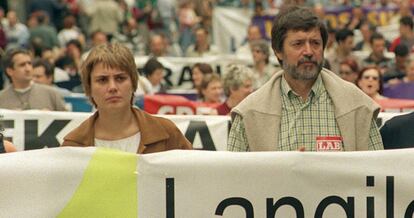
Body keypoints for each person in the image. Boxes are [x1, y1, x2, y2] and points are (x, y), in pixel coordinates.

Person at [227, 6, 383, 152]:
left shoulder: (357, 105)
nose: (308, 51)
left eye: (315, 43)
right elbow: (234, 176)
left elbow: (376, 172)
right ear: (278, 51)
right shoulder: (249, 113)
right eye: (298, 44)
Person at [61, 43, 192, 153]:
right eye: (102, 80)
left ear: (133, 83)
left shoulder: (167, 133)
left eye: (120, 78)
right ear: (89, 87)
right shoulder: (73, 146)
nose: (112, 87)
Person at [0, 49, 67, 111]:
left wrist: (50, 117)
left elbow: (69, 121)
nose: (28, 69)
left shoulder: (52, 94)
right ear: (10, 71)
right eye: (22, 65)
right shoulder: (2, 98)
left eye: (29, 63)